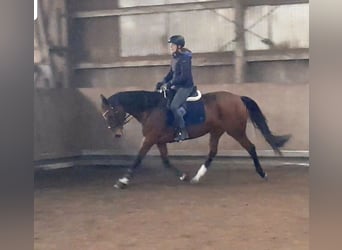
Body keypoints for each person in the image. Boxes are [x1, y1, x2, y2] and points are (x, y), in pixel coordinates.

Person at [156, 35, 195, 141]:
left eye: (172, 45)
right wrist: (163, 82)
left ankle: (183, 131)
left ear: (179, 46)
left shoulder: (185, 58)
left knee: (174, 106)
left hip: (185, 87)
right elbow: (171, 73)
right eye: (170, 45)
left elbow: (183, 77)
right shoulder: (174, 57)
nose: (171, 47)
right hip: (176, 86)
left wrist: (169, 84)